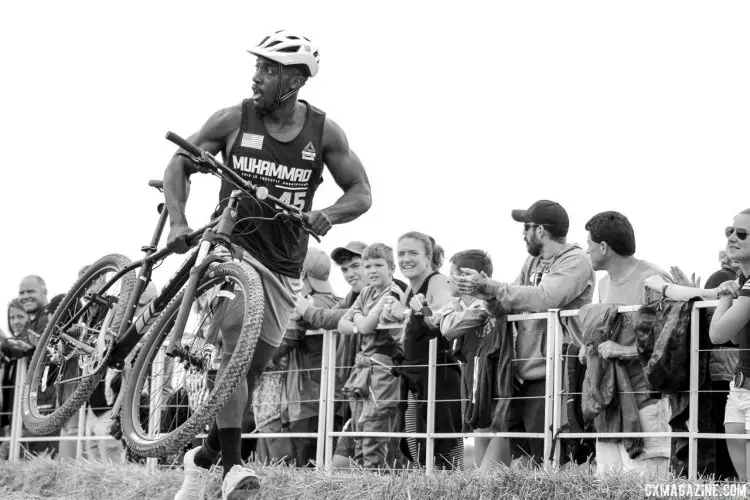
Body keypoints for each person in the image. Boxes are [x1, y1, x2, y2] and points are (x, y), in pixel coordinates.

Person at [167, 30, 371, 500]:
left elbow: (361, 193)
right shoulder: (232, 118)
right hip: (231, 250)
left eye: (268, 69)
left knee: (248, 371)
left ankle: (201, 461)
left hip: (285, 264)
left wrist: (328, 214)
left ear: (295, 79)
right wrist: (179, 220)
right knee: (234, 346)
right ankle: (235, 469)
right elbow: (178, 163)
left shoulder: (324, 132)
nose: (256, 76)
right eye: (257, 66)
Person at [456, 200, 595, 467]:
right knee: (522, 459)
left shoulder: (576, 259)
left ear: (540, 231)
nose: (523, 233)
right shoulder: (532, 260)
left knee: (554, 460)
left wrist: (493, 287)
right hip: (523, 372)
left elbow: (545, 297)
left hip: (556, 371)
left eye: (527, 227)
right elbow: (509, 301)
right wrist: (485, 294)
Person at [583, 211, 671, 474]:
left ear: (603, 247)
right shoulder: (602, 284)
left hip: (646, 399)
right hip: (611, 401)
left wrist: (624, 351)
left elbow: (672, 340)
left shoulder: (654, 279)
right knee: (608, 486)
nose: (587, 252)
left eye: (588, 245)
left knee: (647, 484)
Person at [386, 232, 463, 470]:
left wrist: (415, 311)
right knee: (415, 446)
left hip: (438, 376)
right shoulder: (409, 290)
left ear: (428, 257)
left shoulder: (438, 282)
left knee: (445, 448)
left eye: (413, 253)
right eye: (401, 253)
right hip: (414, 378)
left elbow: (440, 315)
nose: (406, 259)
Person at [337, 243, 405, 469]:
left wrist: (357, 319)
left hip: (383, 367)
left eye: (378, 265)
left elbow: (364, 326)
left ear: (391, 268)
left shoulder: (393, 291)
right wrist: (358, 321)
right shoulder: (366, 292)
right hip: (363, 367)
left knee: (374, 426)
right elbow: (343, 323)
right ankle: (362, 483)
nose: (372, 270)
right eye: (368, 266)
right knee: (358, 427)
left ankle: (374, 480)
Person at [432, 249, 500, 469]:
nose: (448, 279)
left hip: (494, 380)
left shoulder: (486, 305)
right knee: (481, 429)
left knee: (494, 431)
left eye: (452, 274)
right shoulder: (459, 306)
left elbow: (449, 327)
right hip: (476, 382)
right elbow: (434, 317)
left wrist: (446, 316)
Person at [704, 250, 741, 479]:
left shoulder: (721, 278)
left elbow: (717, 331)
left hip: (722, 370)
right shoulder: (730, 280)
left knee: (720, 427)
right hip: (731, 369)